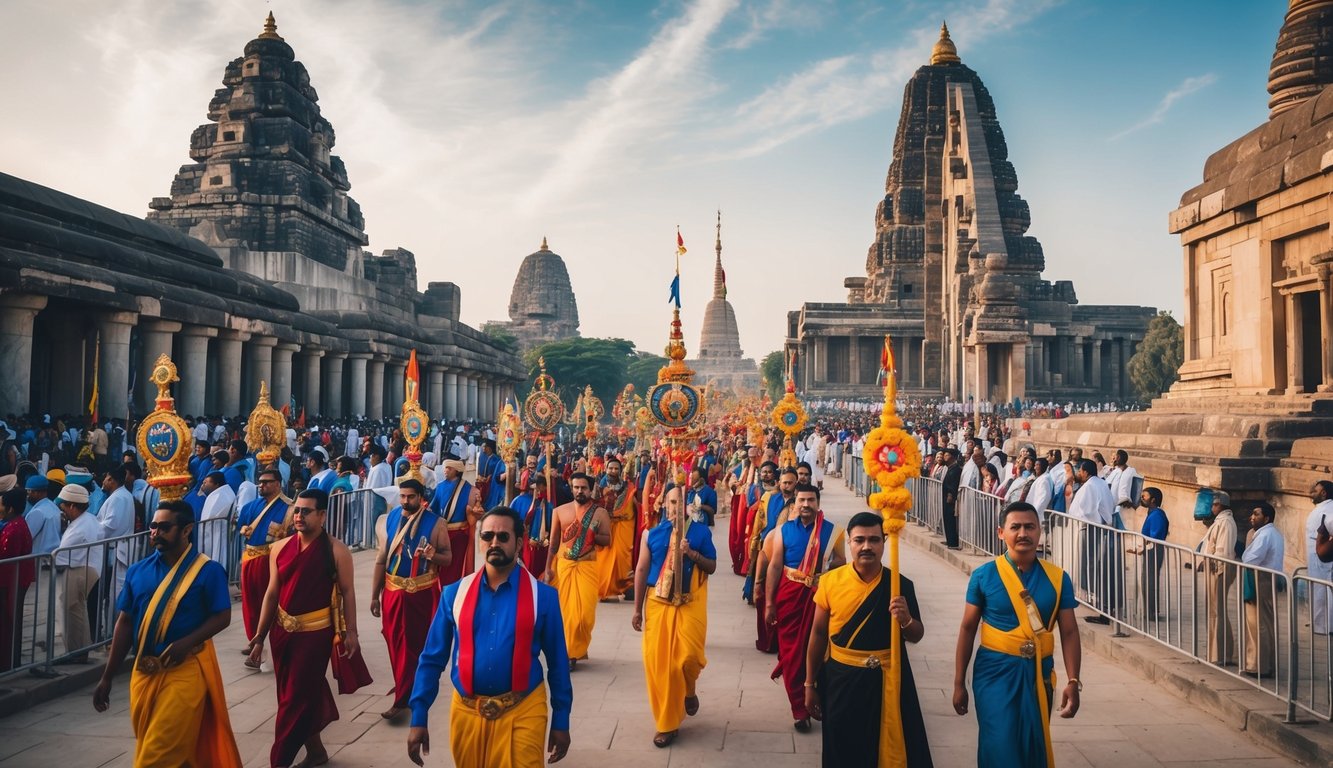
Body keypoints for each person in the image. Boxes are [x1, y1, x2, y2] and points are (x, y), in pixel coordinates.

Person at [408, 506, 572, 767]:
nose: (494, 542)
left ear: (518, 543)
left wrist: (561, 720)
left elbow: (558, 664)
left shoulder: (544, 597)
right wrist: (419, 716)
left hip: (524, 708)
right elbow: (431, 659)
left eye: (503, 537)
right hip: (467, 712)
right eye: (487, 536)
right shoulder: (454, 594)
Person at [93, 500, 243, 767]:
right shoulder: (138, 571)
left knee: (155, 757)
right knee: (173, 751)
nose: (155, 532)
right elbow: (125, 623)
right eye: (153, 526)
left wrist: (187, 642)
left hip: (185, 671)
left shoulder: (208, 571)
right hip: (143, 673)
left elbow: (223, 616)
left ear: (187, 530)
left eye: (164, 527)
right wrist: (107, 676)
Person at [246, 489, 372, 768]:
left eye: (306, 511)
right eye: (297, 510)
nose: (299, 516)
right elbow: (271, 594)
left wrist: (352, 632)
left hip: (315, 635)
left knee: (294, 700)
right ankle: (316, 751)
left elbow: (348, 593)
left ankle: (279, 761)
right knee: (291, 695)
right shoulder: (279, 547)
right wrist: (259, 636)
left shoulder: (337, 551)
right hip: (282, 634)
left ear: (322, 515)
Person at [953, 501, 1082, 768]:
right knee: (1000, 745)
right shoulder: (984, 576)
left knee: (1031, 745)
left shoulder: (1058, 579)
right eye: (1015, 527)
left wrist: (1073, 680)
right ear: (1001, 533)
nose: (1023, 533)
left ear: (1040, 531)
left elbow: (1069, 632)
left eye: (1029, 527)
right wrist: (958, 683)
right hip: (994, 672)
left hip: (1039, 673)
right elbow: (967, 628)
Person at [805, 512, 932, 767]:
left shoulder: (899, 584)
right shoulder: (830, 581)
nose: (866, 546)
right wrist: (809, 684)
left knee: (888, 747)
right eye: (859, 540)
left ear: (884, 542)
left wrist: (906, 619)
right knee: (842, 748)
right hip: (841, 678)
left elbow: (916, 635)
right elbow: (818, 634)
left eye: (874, 540)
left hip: (887, 679)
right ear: (849, 543)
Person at [631, 485, 716, 747]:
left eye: (680, 502)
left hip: (689, 603)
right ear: (663, 503)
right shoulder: (652, 534)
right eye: (671, 502)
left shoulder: (700, 532)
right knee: (661, 666)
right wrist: (636, 609)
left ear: (688, 505)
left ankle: (689, 689)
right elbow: (642, 569)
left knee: (689, 659)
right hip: (658, 603)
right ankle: (667, 724)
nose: (675, 507)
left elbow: (711, 566)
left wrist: (690, 553)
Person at [764, 482, 846, 731]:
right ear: (795, 503)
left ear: (818, 503)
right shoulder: (782, 531)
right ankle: (799, 710)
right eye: (802, 500)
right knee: (792, 655)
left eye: (811, 500)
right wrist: (768, 603)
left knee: (819, 651)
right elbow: (775, 566)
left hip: (820, 598)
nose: (806, 505)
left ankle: (816, 697)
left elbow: (841, 563)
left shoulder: (833, 532)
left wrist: (822, 576)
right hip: (790, 597)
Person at [371, 478, 451, 721]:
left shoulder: (436, 523)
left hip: (421, 594)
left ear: (421, 497)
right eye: (403, 497)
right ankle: (404, 682)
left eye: (411, 497)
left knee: (413, 647)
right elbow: (382, 559)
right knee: (395, 642)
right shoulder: (391, 518)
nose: (406, 502)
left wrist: (432, 554)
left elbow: (447, 558)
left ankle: (403, 700)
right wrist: (375, 595)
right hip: (393, 593)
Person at [544, 472, 611, 669]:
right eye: (576, 487)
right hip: (565, 566)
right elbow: (554, 543)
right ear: (571, 488)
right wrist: (548, 568)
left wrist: (591, 535)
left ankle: (577, 648)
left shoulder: (600, 513)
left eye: (583, 488)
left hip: (588, 567)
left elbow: (608, 540)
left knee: (584, 616)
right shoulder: (559, 511)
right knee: (567, 613)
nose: (579, 491)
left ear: (591, 490)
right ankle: (569, 654)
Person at [236, 468, 291, 670]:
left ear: (278, 484)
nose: (262, 485)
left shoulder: (289, 508)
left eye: (267, 482)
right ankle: (253, 640)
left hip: (272, 559)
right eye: (260, 482)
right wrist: (243, 529)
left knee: (272, 603)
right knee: (250, 603)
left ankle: (268, 645)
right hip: (250, 558)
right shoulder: (251, 506)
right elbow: (241, 525)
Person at [55, 483, 101, 661]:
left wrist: (48, 559)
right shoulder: (87, 519)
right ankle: (78, 651)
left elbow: (60, 554)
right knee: (76, 611)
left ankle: (76, 653)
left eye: (64, 506)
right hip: (84, 567)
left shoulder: (82, 526)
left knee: (73, 612)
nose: (63, 510)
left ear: (73, 506)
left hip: (78, 569)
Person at [1068, 459, 1117, 624]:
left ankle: (1094, 596)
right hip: (1095, 527)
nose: (1078, 474)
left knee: (1089, 563)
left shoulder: (1091, 486)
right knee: (1090, 562)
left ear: (1086, 472)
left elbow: (1088, 510)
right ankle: (1094, 597)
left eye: (1080, 471)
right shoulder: (1099, 483)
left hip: (1091, 527)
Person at [1241, 501, 1284, 677]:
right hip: (1265, 578)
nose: (1252, 517)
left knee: (1258, 624)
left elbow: (1250, 558)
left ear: (1266, 518)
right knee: (1264, 623)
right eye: (1252, 514)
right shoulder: (1270, 533)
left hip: (1262, 579)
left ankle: (1258, 665)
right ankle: (1266, 664)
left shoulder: (1266, 535)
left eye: (1256, 514)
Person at [1199, 491, 1238, 665]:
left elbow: (1223, 549)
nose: (1212, 507)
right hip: (1213, 567)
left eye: (1215, 504)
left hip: (1219, 569)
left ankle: (1222, 654)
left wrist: (1217, 566)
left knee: (1217, 610)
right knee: (1213, 610)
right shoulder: (1219, 522)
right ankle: (1215, 652)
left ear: (1221, 505)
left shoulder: (1227, 522)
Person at [430, 458, 482, 585]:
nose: (445, 471)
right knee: (441, 567)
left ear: (457, 470)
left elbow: (477, 513)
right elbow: (433, 508)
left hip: (459, 534)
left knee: (455, 567)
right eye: (445, 468)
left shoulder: (470, 490)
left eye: (449, 468)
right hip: (442, 533)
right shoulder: (440, 486)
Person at [0, 486, 34, 671]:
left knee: (8, 622)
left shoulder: (13, 529)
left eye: (2, 505)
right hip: (13, 580)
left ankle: (8, 663)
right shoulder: (16, 524)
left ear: (10, 508)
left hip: (10, 582)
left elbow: (5, 558)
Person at [595, 456, 638, 601]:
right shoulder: (599, 487)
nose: (613, 471)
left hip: (623, 528)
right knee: (605, 558)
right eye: (611, 468)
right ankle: (606, 589)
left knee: (622, 556)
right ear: (606, 469)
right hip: (606, 527)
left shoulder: (628, 487)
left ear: (620, 470)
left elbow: (633, 507)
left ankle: (624, 586)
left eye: (616, 468)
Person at [1305, 480, 1333, 635]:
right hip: (1314, 556)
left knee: (1324, 589)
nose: (1312, 493)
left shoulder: (1329, 509)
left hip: (1323, 557)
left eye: (1315, 491)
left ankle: (1325, 625)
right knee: (1317, 588)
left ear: (1324, 493)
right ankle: (1318, 622)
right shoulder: (1321, 508)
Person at [514, 474, 554, 576]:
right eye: (536, 488)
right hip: (526, 543)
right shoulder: (519, 500)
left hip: (542, 544)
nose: (538, 491)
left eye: (540, 488)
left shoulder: (548, 506)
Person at [23, 474, 61, 555]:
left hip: (39, 558)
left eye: (29, 491)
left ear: (38, 493)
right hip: (52, 555)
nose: (27, 496)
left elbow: (26, 537)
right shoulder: (53, 506)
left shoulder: (38, 512)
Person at [940, 448, 962, 549]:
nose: (944, 457)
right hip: (945, 498)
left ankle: (952, 542)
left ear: (952, 457)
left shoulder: (956, 469)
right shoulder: (949, 468)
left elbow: (953, 484)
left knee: (950, 520)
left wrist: (950, 495)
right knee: (946, 519)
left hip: (950, 499)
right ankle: (949, 540)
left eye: (947, 455)